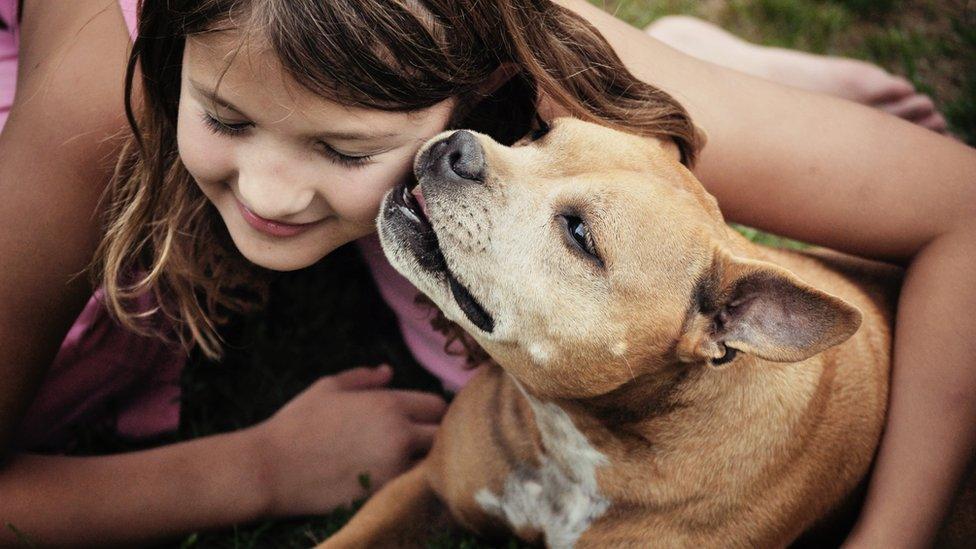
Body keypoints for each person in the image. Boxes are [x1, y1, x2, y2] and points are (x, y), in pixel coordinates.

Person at [0, 0, 972, 547]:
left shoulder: (547, 95)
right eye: (225, 119)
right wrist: (251, 469)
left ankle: (693, 76)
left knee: (568, 207)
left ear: (474, 97)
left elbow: (962, 210)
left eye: (343, 149)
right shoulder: (81, 124)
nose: (269, 190)